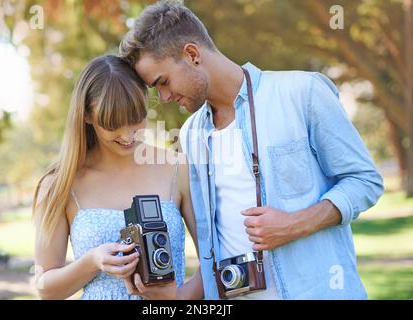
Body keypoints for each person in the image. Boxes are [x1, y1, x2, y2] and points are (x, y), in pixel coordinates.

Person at [119, 0, 384, 299]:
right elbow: (211, 245)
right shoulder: (192, 133)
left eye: (163, 82)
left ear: (192, 54)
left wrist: (294, 224)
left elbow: (365, 181)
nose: (164, 97)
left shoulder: (302, 93)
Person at [32, 54, 203, 300]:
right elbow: (45, 288)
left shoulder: (178, 167)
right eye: (113, 124)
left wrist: (176, 299)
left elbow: (212, 260)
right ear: (88, 117)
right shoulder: (60, 184)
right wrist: (92, 262)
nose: (128, 135)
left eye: (137, 119)